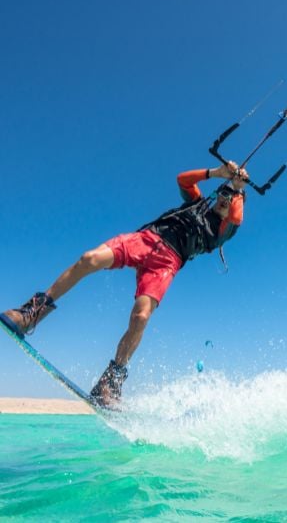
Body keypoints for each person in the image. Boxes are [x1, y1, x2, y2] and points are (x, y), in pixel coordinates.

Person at [0, 161, 249, 408]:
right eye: (224, 192)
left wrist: (238, 188)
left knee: (140, 317)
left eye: (231, 198)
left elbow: (236, 216)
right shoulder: (196, 204)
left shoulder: (223, 232)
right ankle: (31, 314)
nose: (225, 199)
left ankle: (111, 381)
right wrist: (217, 173)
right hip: (146, 239)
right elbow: (183, 179)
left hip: (165, 265)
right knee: (90, 258)